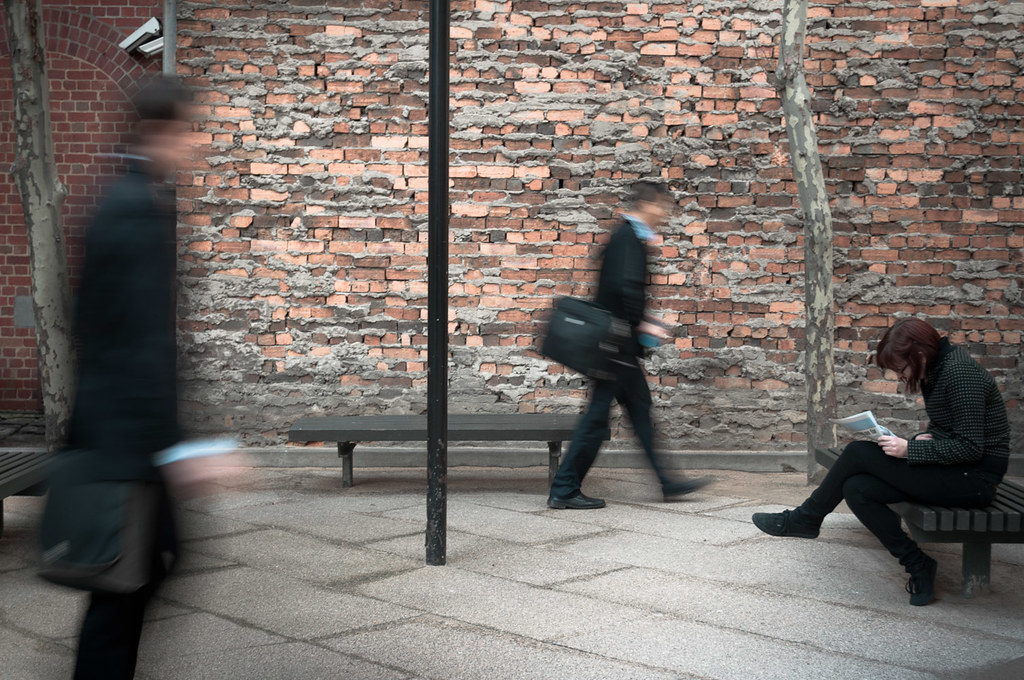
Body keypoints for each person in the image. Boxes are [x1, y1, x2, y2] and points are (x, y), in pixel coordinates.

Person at [67, 76, 199, 679]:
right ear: (161, 130)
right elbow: (138, 341)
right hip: (128, 441)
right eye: (192, 130)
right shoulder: (134, 209)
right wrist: (175, 445)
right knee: (128, 582)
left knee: (140, 575)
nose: (198, 144)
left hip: (119, 432)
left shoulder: (128, 197)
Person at [752, 318, 1011, 606]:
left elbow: (971, 447)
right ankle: (917, 564)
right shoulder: (937, 370)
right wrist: (926, 438)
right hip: (954, 471)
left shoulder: (960, 374)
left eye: (901, 369)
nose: (900, 377)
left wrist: (909, 451)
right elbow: (950, 427)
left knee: (859, 453)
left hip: (974, 481)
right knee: (857, 489)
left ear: (920, 355)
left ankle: (805, 519)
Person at [547, 182, 712, 509]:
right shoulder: (628, 239)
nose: (664, 215)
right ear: (647, 205)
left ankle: (668, 482)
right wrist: (643, 323)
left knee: (639, 411)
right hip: (616, 347)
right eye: (662, 207)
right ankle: (564, 488)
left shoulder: (625, 236)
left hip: (618, 345)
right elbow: (626, 290)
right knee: (596, 420)